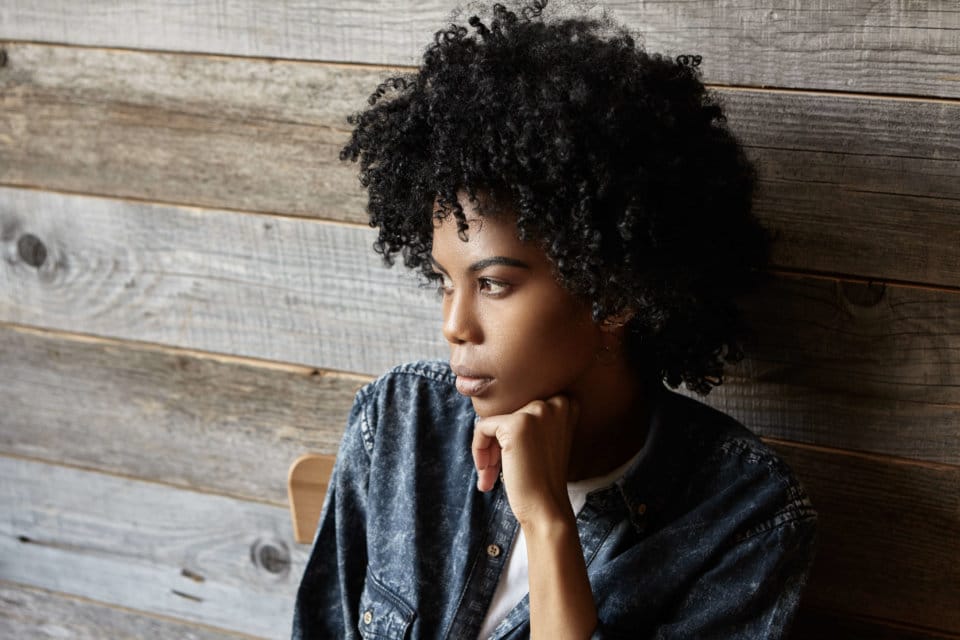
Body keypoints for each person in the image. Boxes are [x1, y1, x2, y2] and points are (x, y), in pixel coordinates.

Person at [293, 1, 817, 638]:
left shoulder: (742, 517)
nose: (455, 325)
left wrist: (546, 523)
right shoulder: (402, 422)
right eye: (444, 282)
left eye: (492, 284)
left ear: (613, 292)